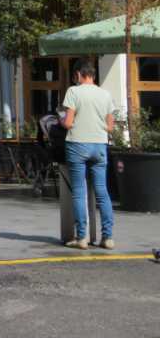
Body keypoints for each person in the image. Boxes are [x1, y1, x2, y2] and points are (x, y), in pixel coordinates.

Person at [61, 61, 115, 250]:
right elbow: (110, 126)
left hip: (77, 144)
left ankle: (82, 237)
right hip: (100, 145)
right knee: (102, 191)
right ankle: (107, 238)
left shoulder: (73, 92)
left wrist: (61, 119)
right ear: (93, 75)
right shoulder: (105, 94)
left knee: (79, 191)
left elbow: (68, 123)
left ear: (78, 74)